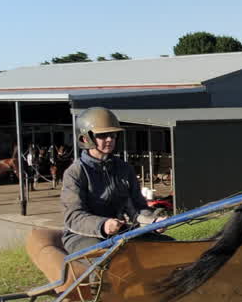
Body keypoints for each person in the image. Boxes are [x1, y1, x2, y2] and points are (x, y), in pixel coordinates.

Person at [61, 107, 170, 253]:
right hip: (81, 236)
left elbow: (137, 208)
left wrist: (154, 221)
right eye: (103, 135)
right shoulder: (74, 173)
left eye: (113, 135)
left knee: (169, 247)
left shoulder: (124, 169)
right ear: (85, 138)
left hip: (118, 231)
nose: (110, 140)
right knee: (107, 262)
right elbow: (73, 216)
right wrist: (103, 225)